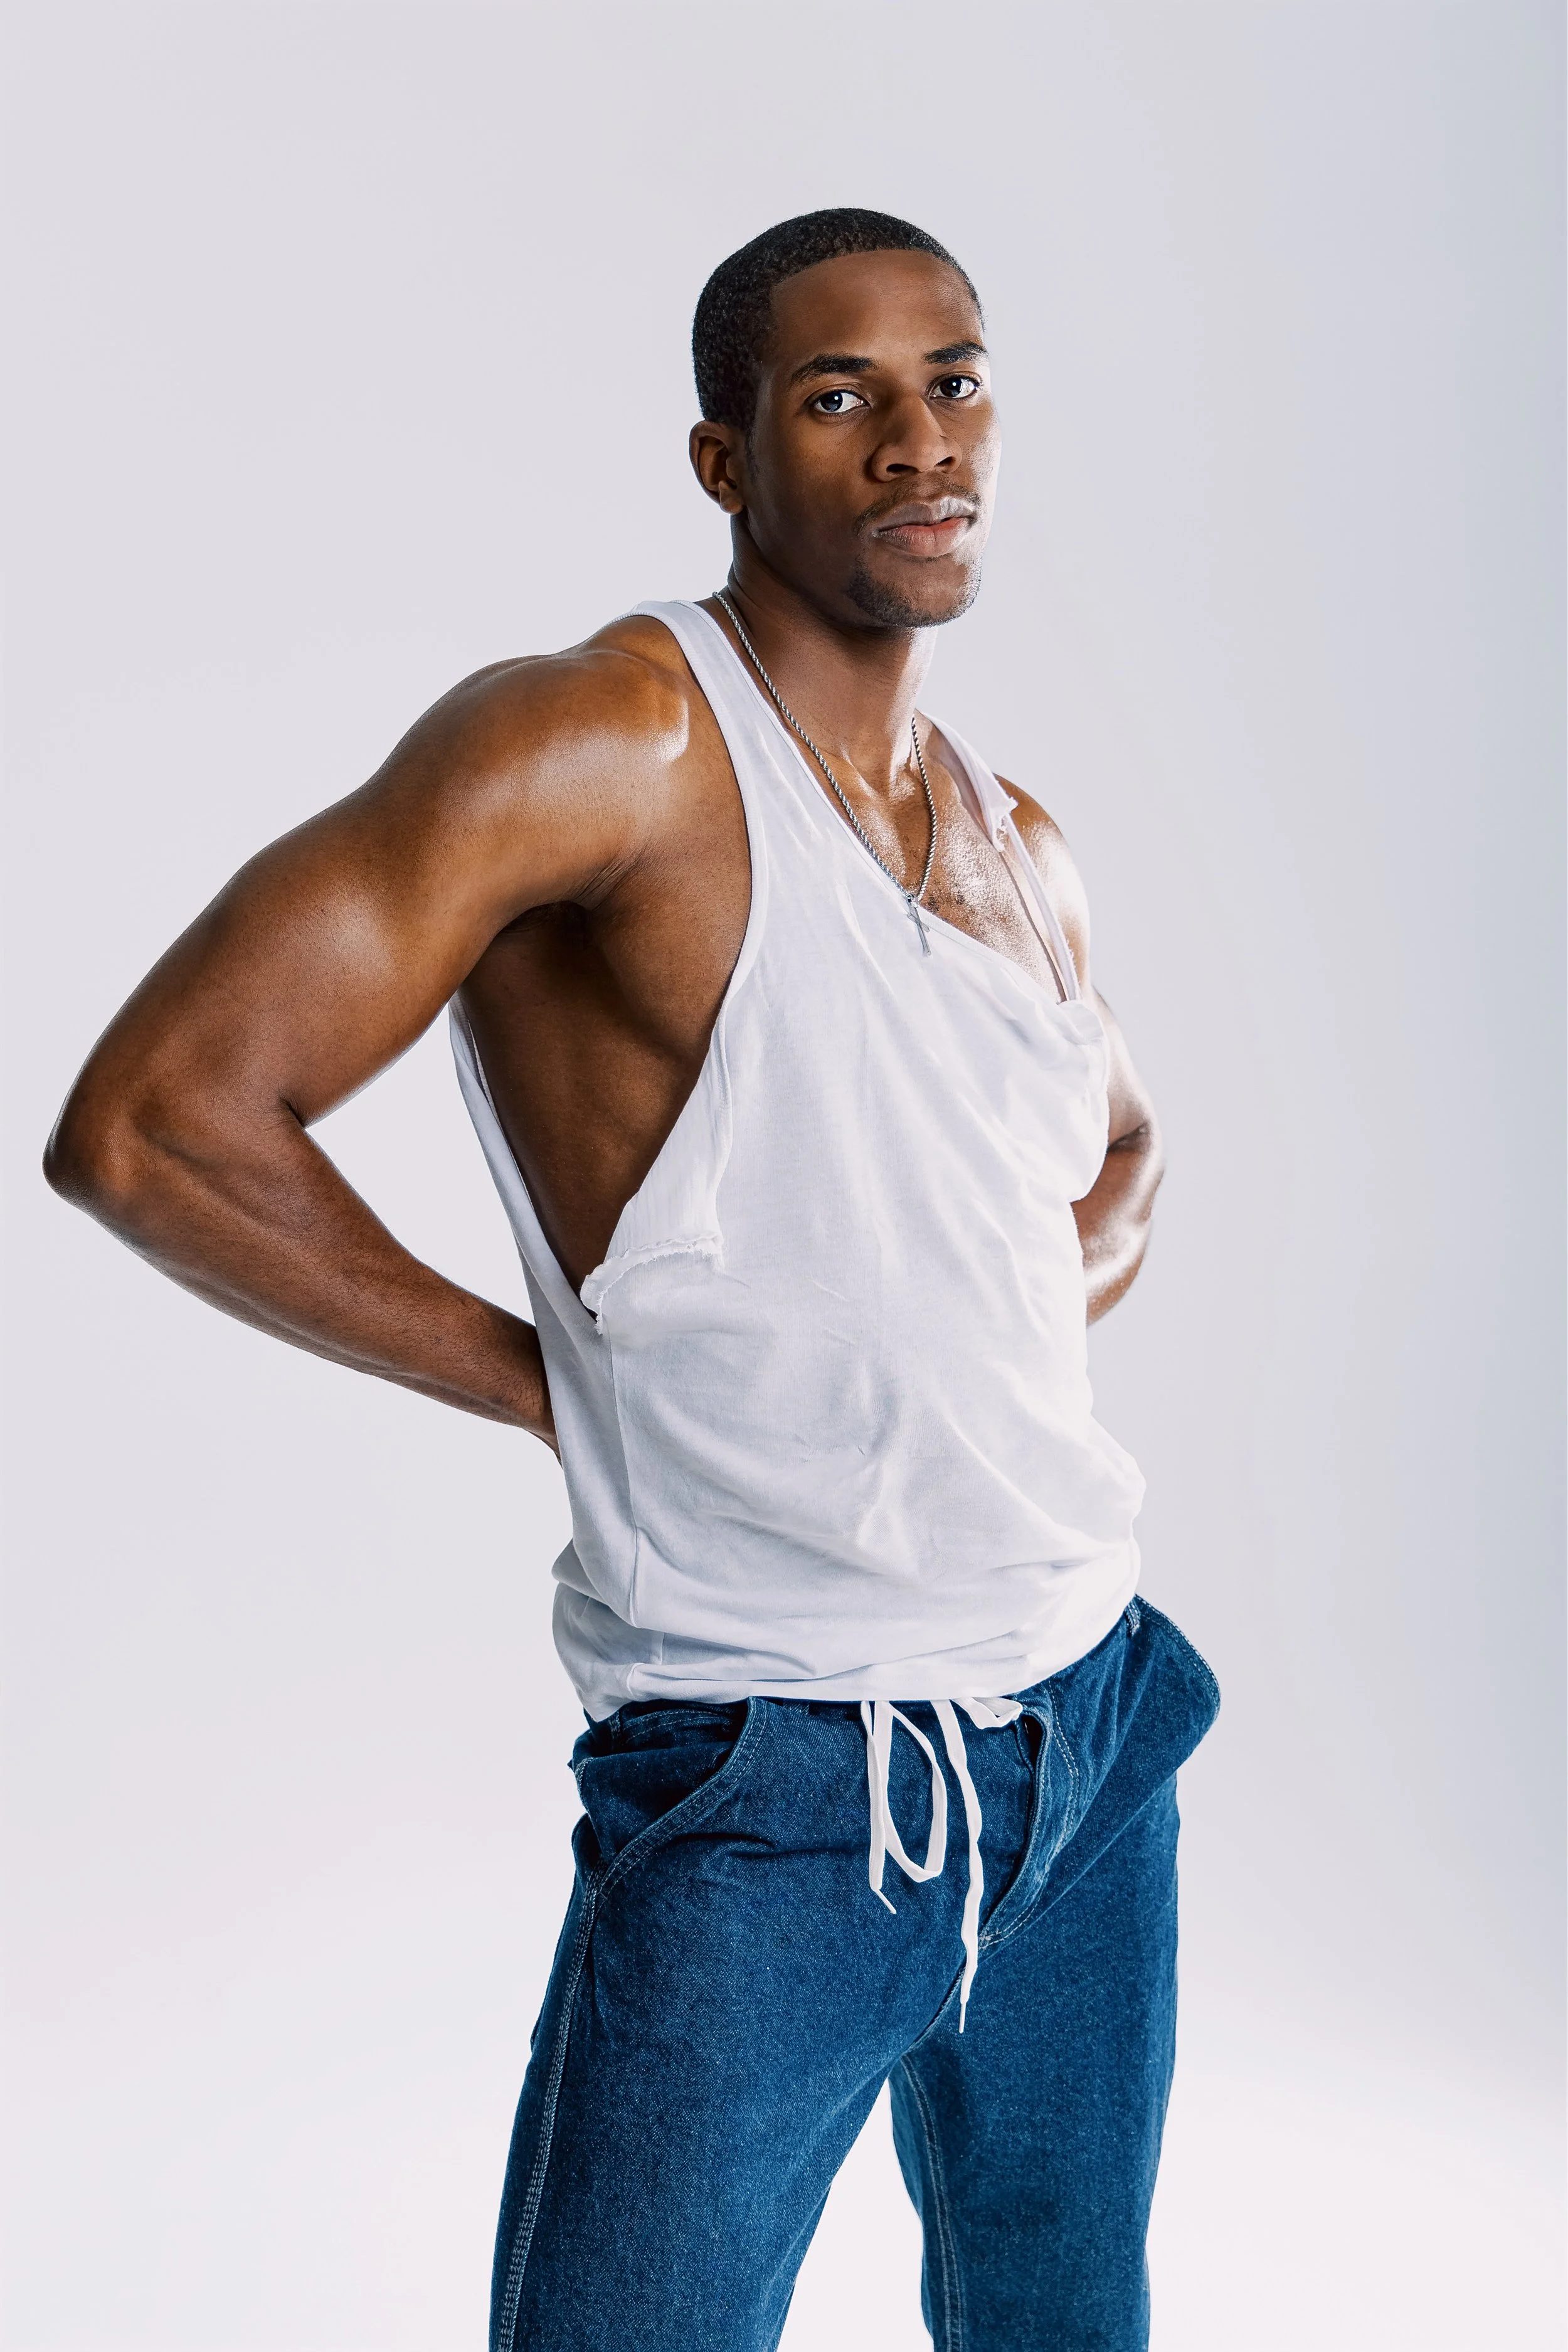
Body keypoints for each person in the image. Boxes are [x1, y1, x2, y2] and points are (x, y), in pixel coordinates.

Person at [46, 207, 1219, 2351]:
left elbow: (1122, 1152)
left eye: (952, 382)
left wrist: (976, 1332)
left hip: (1084, 1719)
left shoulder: (1013, 840)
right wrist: (543, 1372)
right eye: (836, 393)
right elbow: (157, 1123)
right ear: (723, 454)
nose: (913, 442)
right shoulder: (609, 743)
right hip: (775, 1777)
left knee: (1063, 2317)